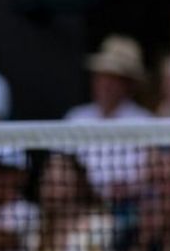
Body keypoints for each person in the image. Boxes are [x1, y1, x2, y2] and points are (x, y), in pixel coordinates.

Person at [65, 35, 153, 208]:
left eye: (114, 78)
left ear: (129, 85)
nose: (105, 85)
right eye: (101, 77)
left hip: (131, 207)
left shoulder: (146, 121)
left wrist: (131, 189)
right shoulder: (75, 117)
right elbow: (59, 170)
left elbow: (151, 172)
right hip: (80, 204)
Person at [28, 152, 114, 251]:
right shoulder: (34, 227)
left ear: (77, 181)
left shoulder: (99, 224)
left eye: (60, 178)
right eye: (49, 178)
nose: (52, 186)